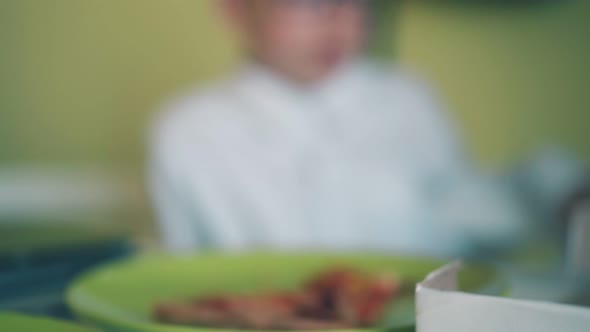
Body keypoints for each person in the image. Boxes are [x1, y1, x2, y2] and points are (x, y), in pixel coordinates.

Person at [148, 0, 582, 256]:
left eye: (358, 1)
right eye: (310, 1)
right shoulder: (189, 129)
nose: (339, 19)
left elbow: (468, 205)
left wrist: (561, 192)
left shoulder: (408, 98)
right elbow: (183, 271)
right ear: (236, 9)